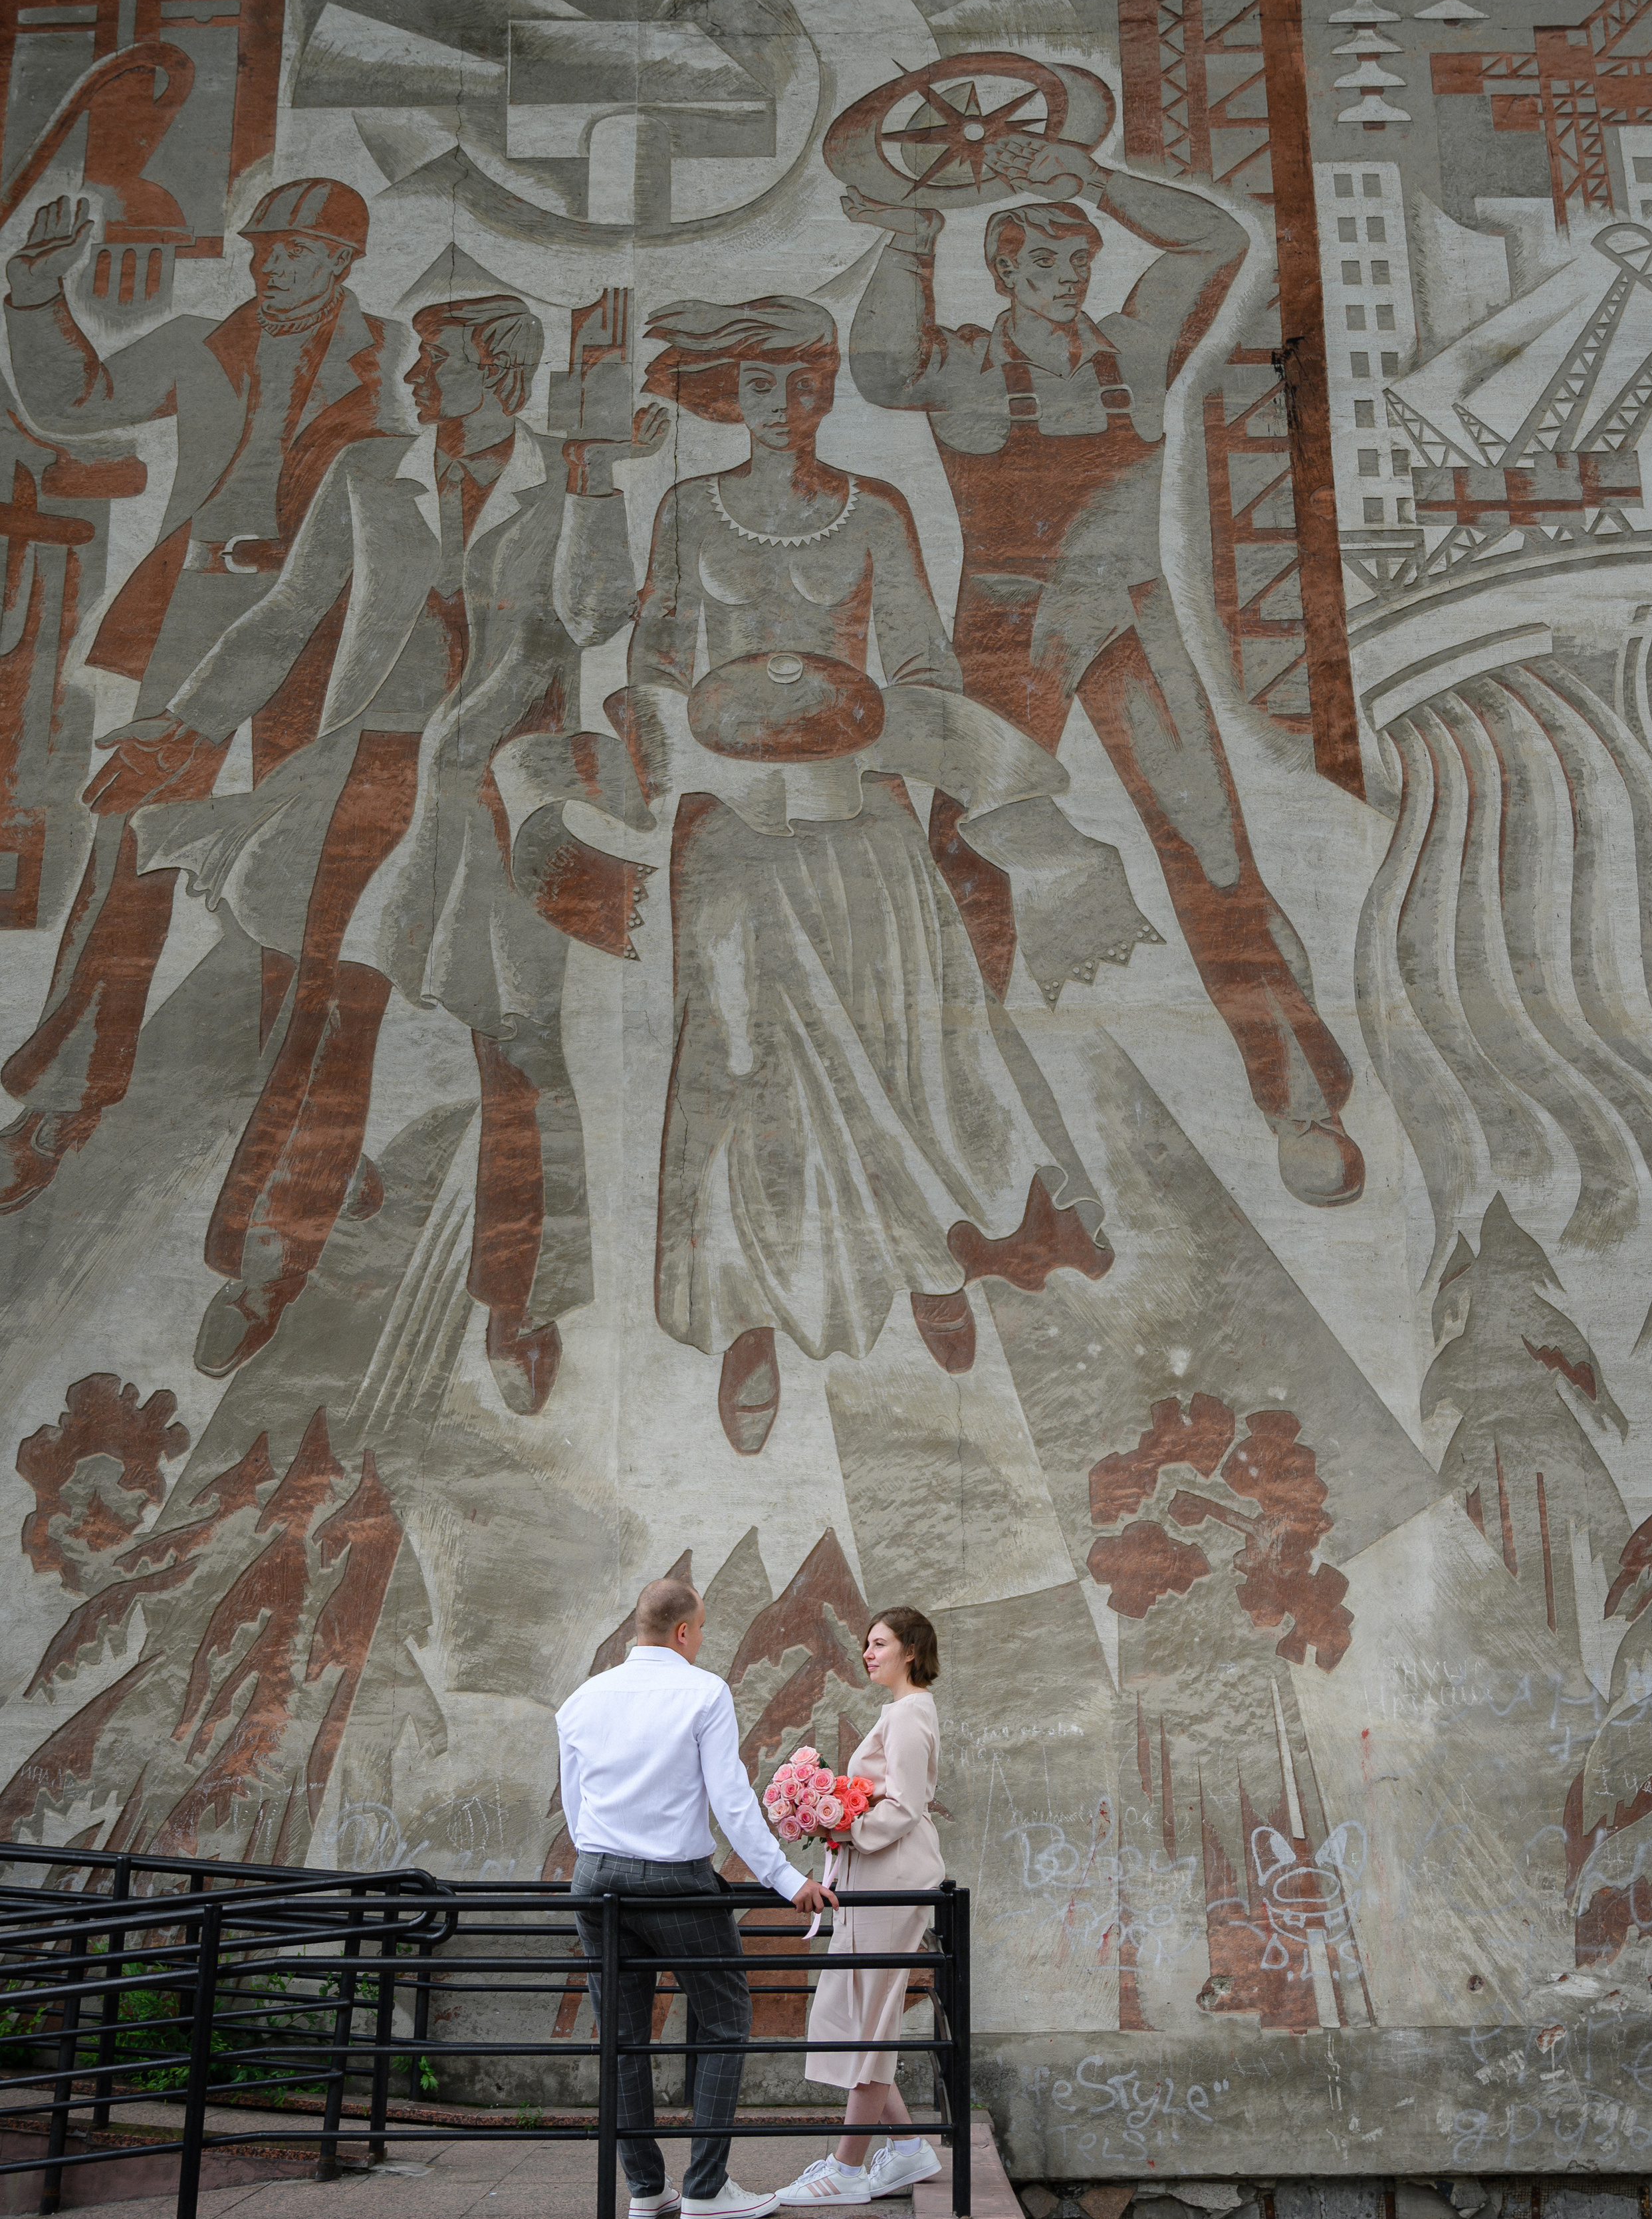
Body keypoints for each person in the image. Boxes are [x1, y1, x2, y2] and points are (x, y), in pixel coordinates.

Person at [86, 293, 658, 1411]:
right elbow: (290, 608)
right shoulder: (371, 471)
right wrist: (191, 724)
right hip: (369, 776)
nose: (416, 376)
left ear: (496, 369)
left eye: (437, 360)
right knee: (325, 1016)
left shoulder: (564, 478)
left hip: (501, 784)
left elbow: (594, 617)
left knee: (517, 1044)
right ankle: (261, 1266)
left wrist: (591, 475)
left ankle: (519, 1298)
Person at [845, 128, 1365, 1209]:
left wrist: (1092, 179)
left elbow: (1215, 239)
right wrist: (906, 243)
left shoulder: (1134, 345)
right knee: (969, 857)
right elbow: (882, 367)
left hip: (1131, 620)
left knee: (1211, 845)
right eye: (1044, 262)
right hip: (1007, 628)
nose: (1067, 278)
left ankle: (1297, 1091)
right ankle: (940, 1098)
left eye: (1079, 261)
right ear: (1005, 272)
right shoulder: (967, 363)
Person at [627, 294, 1109, 1457]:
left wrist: (859, 712)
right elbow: (650, 650)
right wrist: (707, 716)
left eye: (804, 385)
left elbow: (919, 659)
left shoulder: (873, 511)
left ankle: (934, 1255)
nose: (784, 407)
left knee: (911, 1046)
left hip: (858, 811)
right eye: (759, 388)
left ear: (827, 391)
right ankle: (748, 1313)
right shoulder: (692, 513)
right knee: (740, 1059)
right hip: (737, 822)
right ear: (734, 399)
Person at [0, 179, 407, 1209]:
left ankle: (302, 1121)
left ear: (343, 263)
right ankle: (61, 1097)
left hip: (329, 629)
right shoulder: (197, 342)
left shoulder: (398, 358)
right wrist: (37, 296)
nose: (274, 264)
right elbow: (75, 403)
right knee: (127, 841)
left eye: (301, 251)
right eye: (268, 246)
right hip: (194, 613)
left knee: (305, 861)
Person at [557, 1576, 835, 2219]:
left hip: (596, 1880)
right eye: (702, 1629)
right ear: (683, 1632)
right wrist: (788, 1881)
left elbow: (577, 1809)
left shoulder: (581, 1699)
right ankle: (706, 2188)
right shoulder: (703, 1690)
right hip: (675, 1882)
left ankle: (646, 2189)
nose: (702, 1641)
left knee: (620, 2037)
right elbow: (731, 1801)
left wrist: (605, 1860)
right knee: (724, 2017)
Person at [776, 1605, 945, 2206]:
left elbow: (904, 1808)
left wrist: (840, 1827)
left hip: (893, 1879)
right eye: (866, 1643)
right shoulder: (901, 1712)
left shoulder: (908, 1714)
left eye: (879, 1643)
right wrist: (834, 1819)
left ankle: (847, 2168)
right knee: (860, 2012)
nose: (868, 1652)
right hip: (876, 1876)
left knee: (872, 2018)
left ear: (910, 1649)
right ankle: (907, 2150)